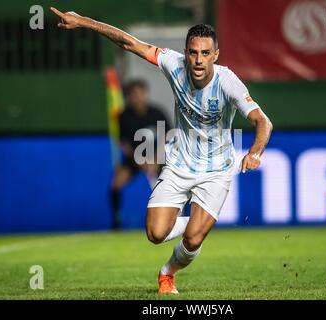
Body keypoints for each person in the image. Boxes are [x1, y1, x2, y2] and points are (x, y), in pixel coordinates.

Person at [50, 7, 273, 294]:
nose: (198, 60)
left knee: (192, 240)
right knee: (155, 234)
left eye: (205, 53)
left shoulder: (228, 82)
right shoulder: (172, 63)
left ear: (216, 55)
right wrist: (82, 22)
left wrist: (255, 152)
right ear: (185, 52)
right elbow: (128, 42)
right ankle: (197, 225)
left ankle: (168, 272)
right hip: (179, 164)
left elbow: (262, 121)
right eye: (193, 52)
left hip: (216, 169)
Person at [110, 79, 170, 230]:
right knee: (116, 184)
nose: (137, 97)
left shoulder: (158, 113)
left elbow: (168, 137)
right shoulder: (124, 116)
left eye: (140, 94)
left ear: (146, 94)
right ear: (129, 97)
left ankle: (181, 217)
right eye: (134, 94)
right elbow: (124, 144)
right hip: (134, 161)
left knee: (179, 184)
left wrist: (155, 160)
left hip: (159, 159)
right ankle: (116, 220)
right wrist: (141, 162)